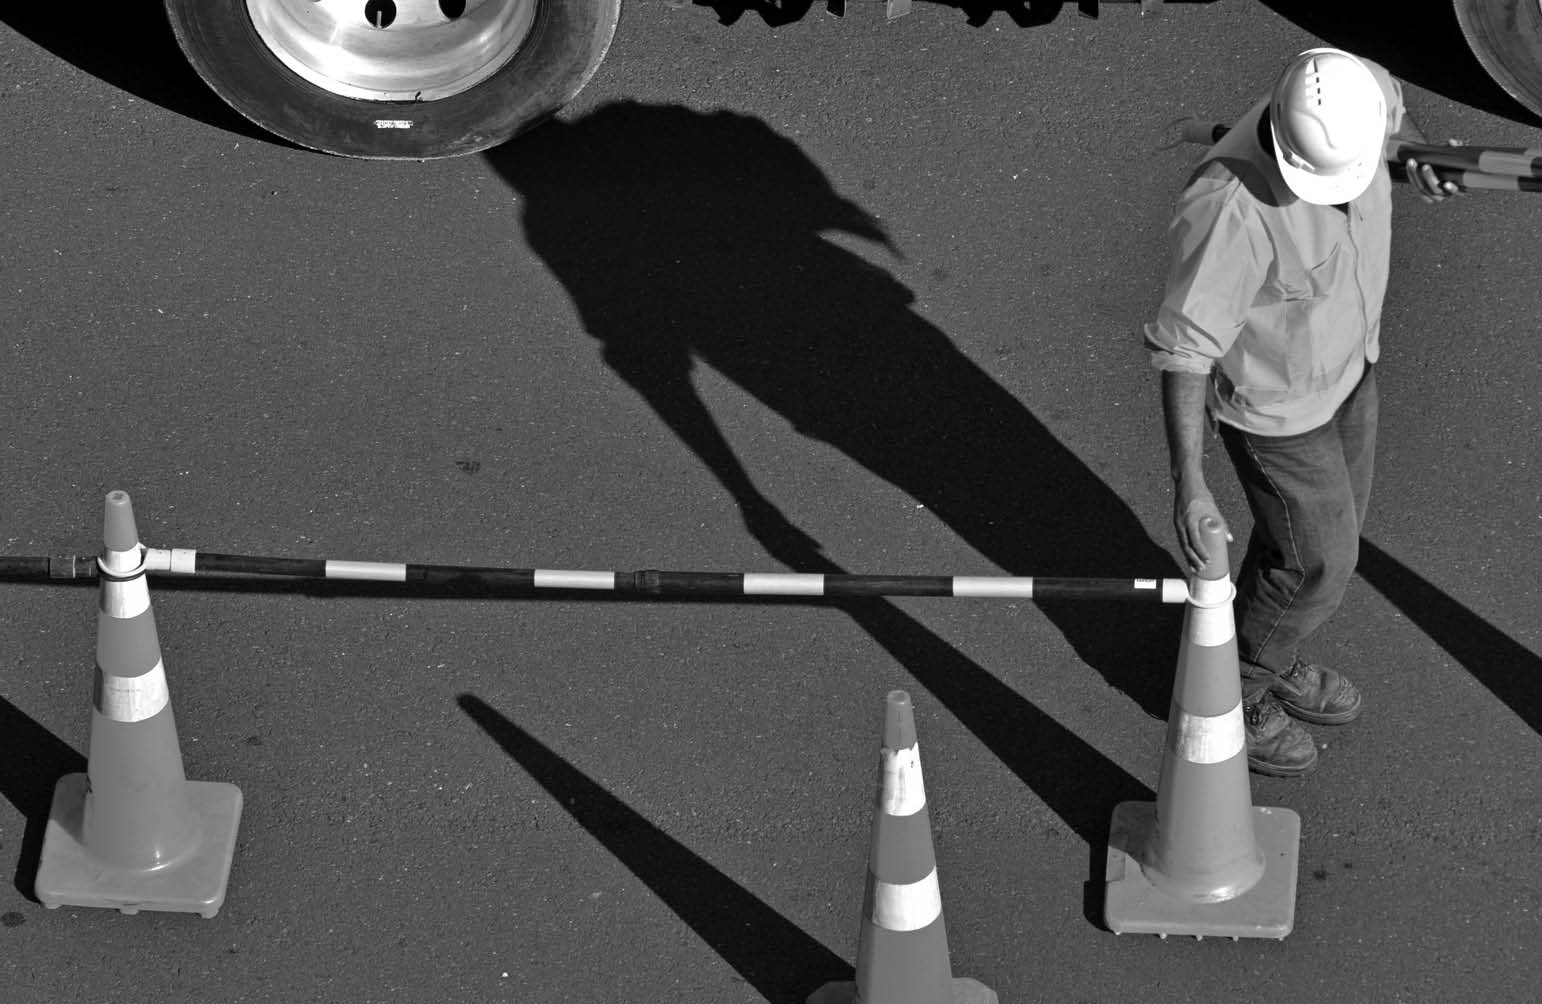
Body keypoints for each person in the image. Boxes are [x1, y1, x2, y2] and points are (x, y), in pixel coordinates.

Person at [1144, 48, 1459, 777]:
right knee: (1321, 562)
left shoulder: (1359, 93)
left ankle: (1267, 646)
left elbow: (1394, 138)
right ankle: (1237, 694)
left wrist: (1415, 160)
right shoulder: (1230, 211)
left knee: (1301, 548)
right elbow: (1186, 349)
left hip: (1352, 370)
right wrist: (1188, 481)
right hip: (1277, 414)